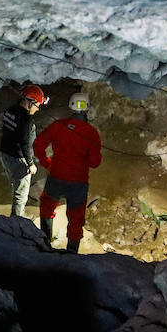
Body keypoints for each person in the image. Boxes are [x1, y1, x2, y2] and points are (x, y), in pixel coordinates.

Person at [32, 92, 102, 252]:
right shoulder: (91, 133)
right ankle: (72, 252)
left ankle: (44, 243)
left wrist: (46, 162)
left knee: (47, 206)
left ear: (70, 106)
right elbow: (95, 163)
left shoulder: (59, 125)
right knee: (76, 218)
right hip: (78, 183)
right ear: (87, 108)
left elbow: (38, 145)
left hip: (56, 176)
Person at [0, 84, 47, 217]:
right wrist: (31, 164)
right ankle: (17, 221)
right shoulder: (26, 120)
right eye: (37, 105)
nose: (38, 109)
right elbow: (25, 144)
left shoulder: (10, 110)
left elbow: (7, 131)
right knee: (21, 194)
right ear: (29, 102)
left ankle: (18, 215)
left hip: (5, 154)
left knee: (16, 186)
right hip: (18, 159)